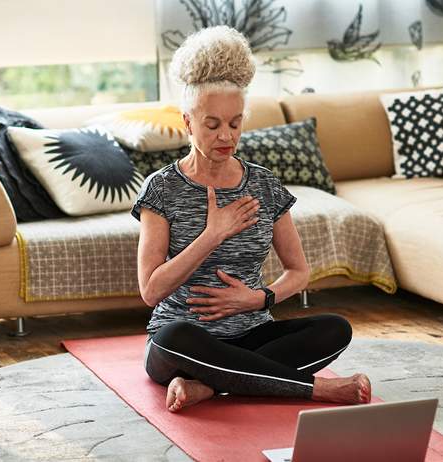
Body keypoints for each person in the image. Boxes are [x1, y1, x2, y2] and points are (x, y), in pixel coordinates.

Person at [131, 25, 371, 413]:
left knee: (335, 329)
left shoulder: (263, 185)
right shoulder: (161, 189)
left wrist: (257, 299)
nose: (226, 136)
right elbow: (151, 290)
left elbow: (298, 271)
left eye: (235, 123)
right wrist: (212, 234)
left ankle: (210, 387)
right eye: (212, 125)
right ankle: (315, 390)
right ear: (188, 122)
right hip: (184, 342)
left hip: (252, 333)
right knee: (173, 338)